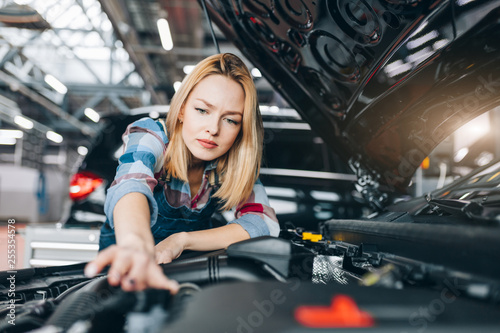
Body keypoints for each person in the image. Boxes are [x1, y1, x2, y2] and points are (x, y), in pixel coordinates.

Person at [84, 53, 279, 292]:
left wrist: (182, 241)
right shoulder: (152, 136)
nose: (213, 129)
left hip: (187, 276)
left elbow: (263, 223)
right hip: (124, 274)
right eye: (202, 110)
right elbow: (130, 183)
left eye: (230, 120)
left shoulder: (232, 162)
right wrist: (135, 244)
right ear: (182, 109)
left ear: (241, 129)